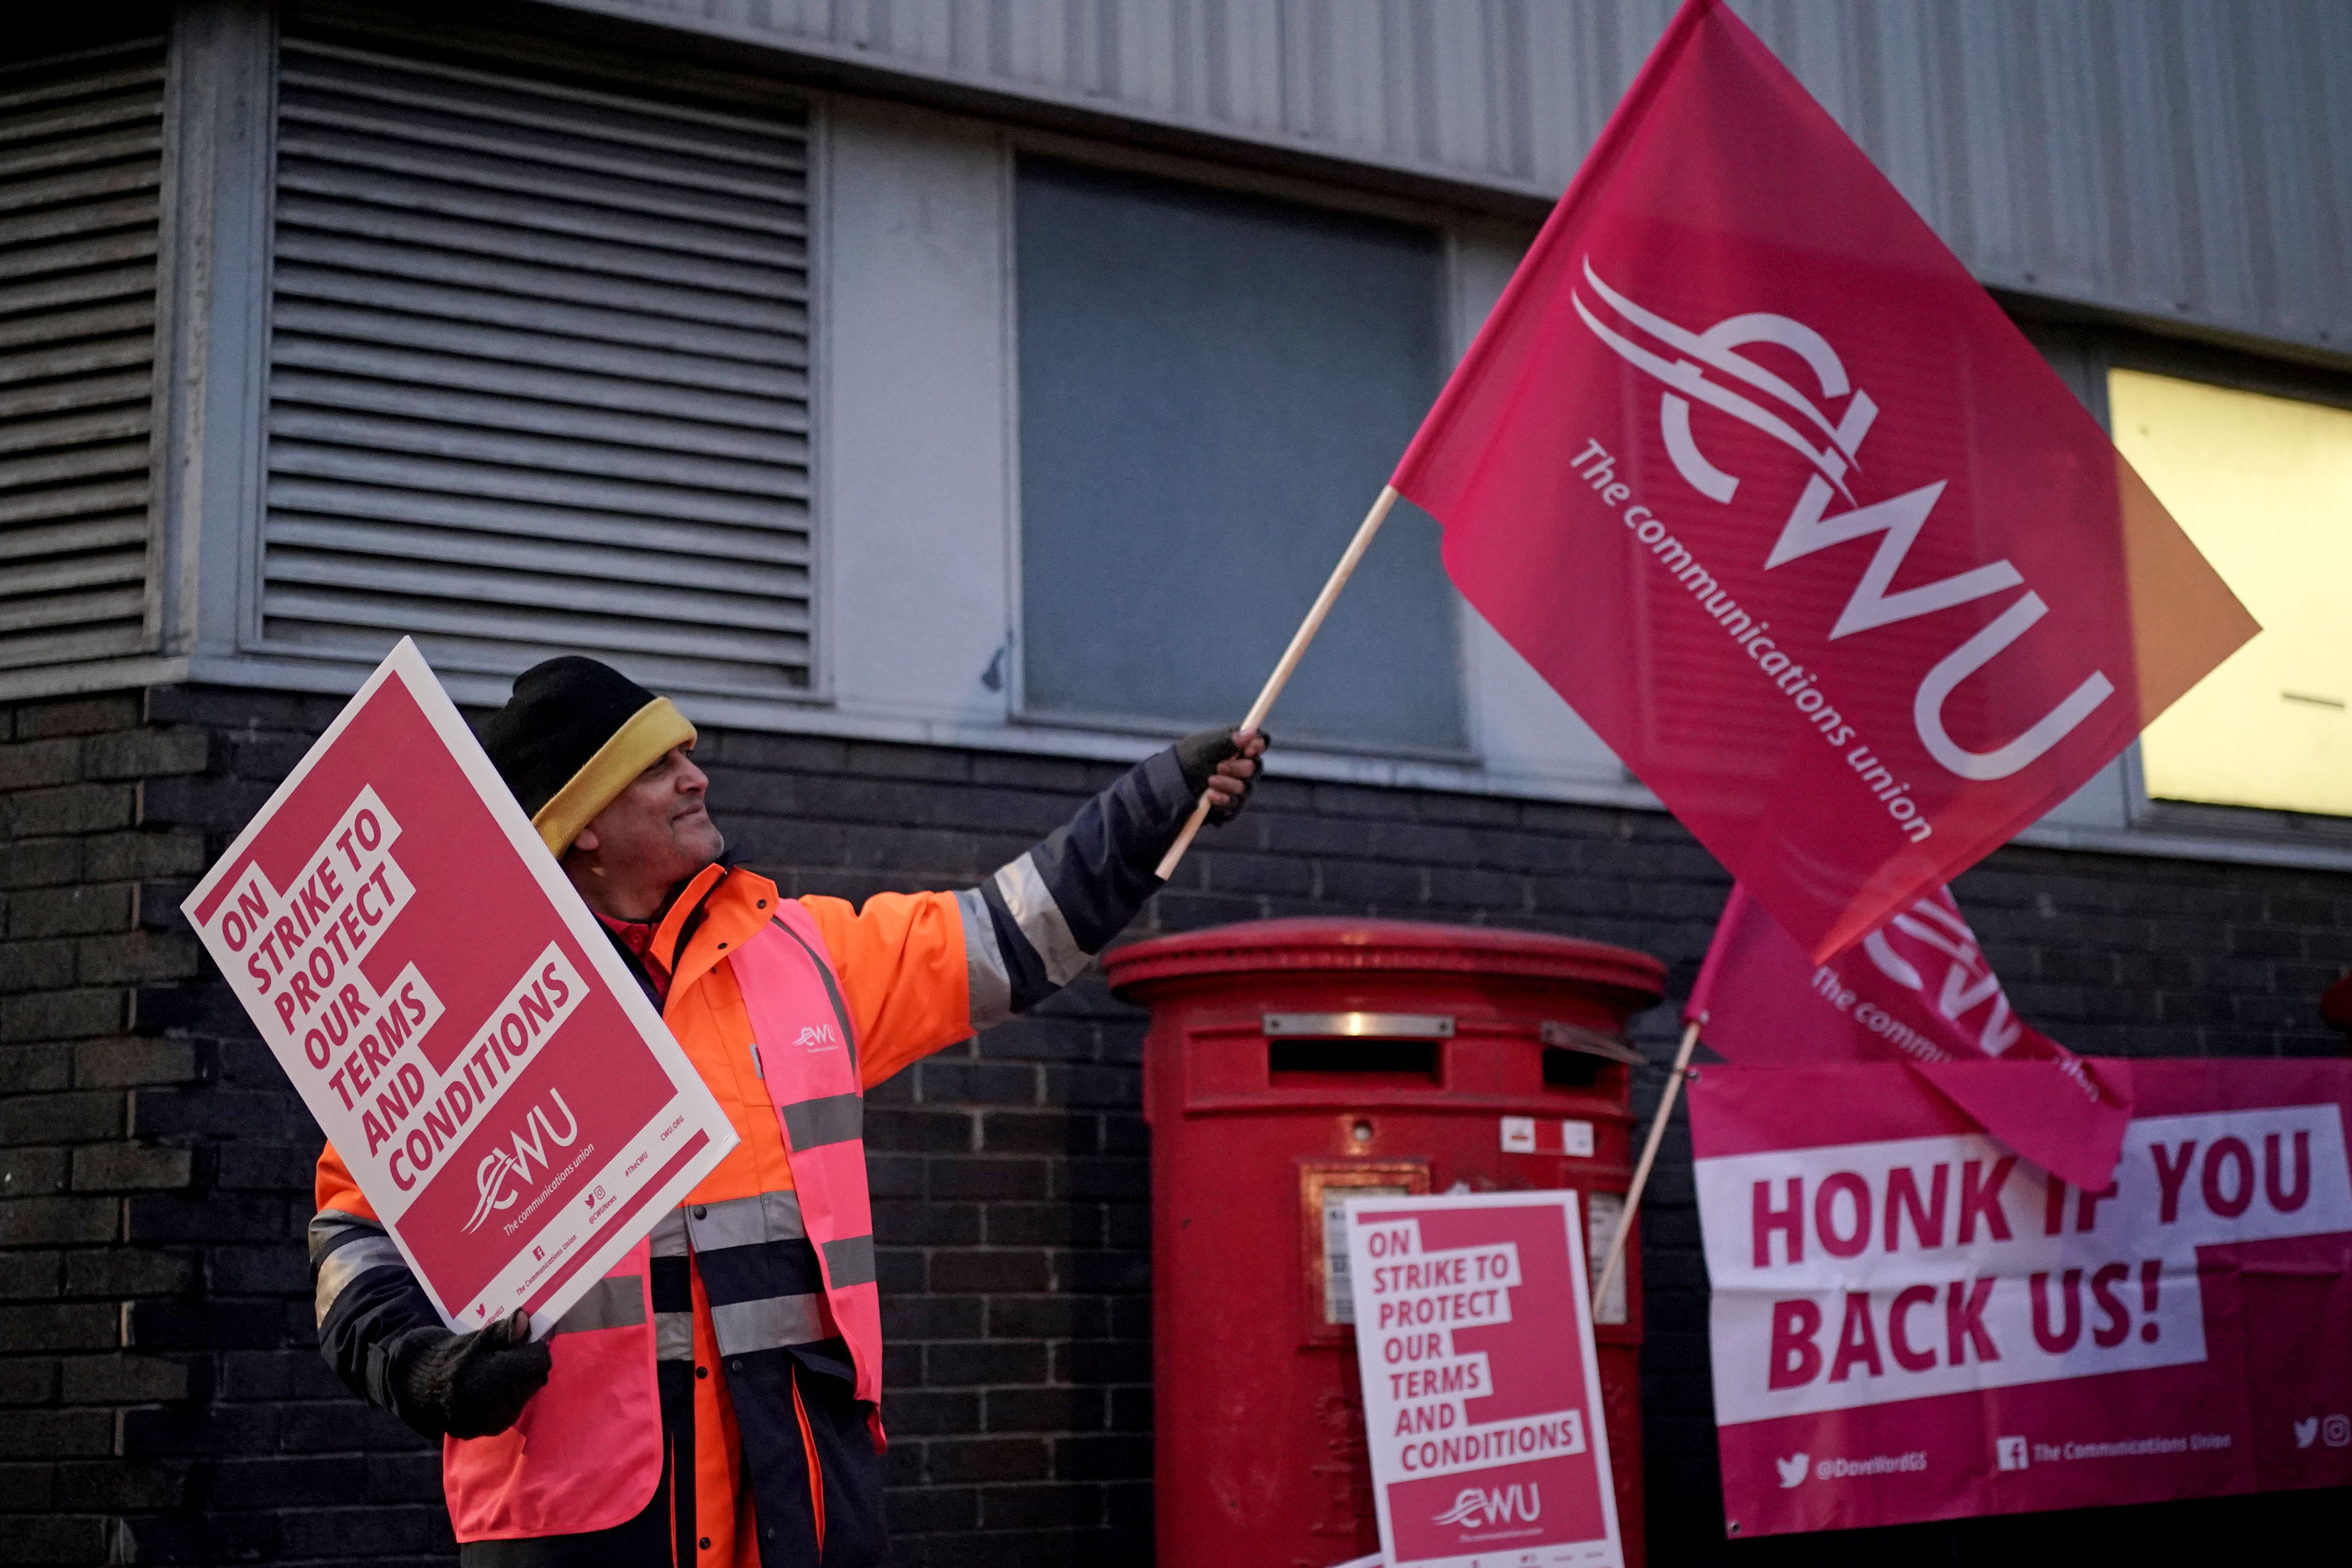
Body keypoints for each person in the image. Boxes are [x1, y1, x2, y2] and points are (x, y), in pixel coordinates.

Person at [305, 656, 1265, 1567]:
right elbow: (354, 1243)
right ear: (584, 823)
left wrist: (1155, 802)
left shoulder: (800, 953)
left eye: (688, 754)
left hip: (796, 1498)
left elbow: (1002, 938)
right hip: (582, 1522)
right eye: (661, 765)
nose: (697, 778)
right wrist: (425, 1368)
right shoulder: (463, 1010)